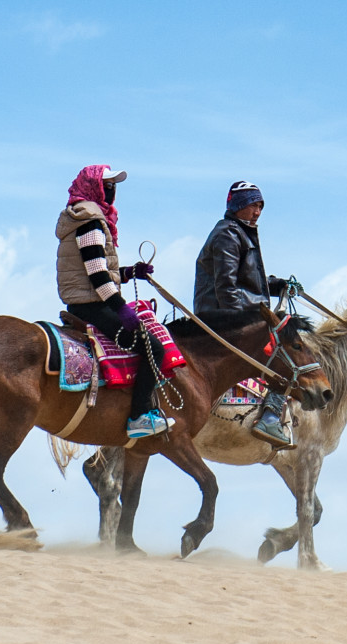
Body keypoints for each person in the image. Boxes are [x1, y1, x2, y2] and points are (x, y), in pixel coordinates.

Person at [57, 164, 174, 438]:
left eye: (114, 186)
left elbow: (97, 270)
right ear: (94, 187)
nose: (111, 191)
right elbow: (97, 275)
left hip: (85, 300)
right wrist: (121, 308)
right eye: (106, 185)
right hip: (93, 305)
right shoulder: (90, 220)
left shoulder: (83, 218)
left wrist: (131, 273)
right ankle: (139, 416)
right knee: (154, 348)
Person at [193, 180, 297, 450]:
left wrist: (280, 285)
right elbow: (226, 287)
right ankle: (271, 417)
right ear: (238, 206)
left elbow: (252, 282)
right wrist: (249, 324)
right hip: (222, 316)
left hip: (236, 311)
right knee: (282, 351)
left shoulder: (241, 233)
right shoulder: (228, 234)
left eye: (260, 206)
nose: (258, 211)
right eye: (253, 205)